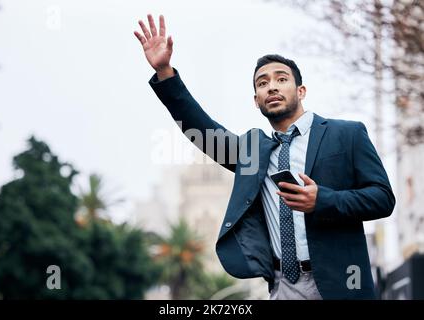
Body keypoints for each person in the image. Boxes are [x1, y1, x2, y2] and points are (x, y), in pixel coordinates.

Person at [134, 14, 395, 300]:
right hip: (283, 285)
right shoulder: (253, 153)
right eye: (262, 83)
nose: (271, 86)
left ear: (300, 90)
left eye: (281, 79)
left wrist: (322, 200)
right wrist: (165, 73)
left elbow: (382, 198)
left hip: (342, 283)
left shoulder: (346, 135)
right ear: (256, 100)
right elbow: (200, 129)